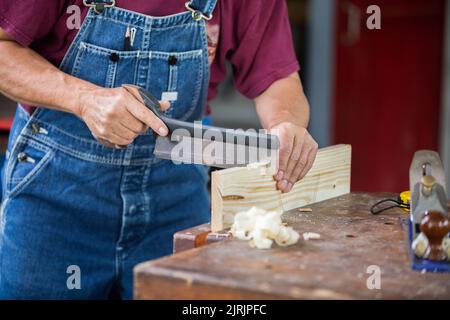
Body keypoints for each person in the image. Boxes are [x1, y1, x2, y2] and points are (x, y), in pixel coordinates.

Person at [0, 0, 318, 299]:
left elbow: (277, 78)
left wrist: (286, 124)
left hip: (176, 195)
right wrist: (84, 99)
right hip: (56, 192)